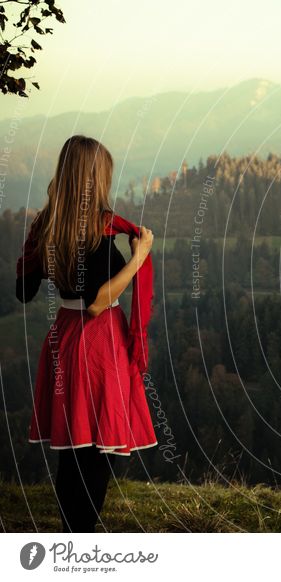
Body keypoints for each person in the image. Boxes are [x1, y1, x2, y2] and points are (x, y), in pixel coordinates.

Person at [15, 135, 158, 533]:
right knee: (98, 451)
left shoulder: (47, 224)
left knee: (74, 447)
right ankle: (80, 540)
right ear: (94, 177)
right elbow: (97, 302)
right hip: (97, 340)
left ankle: (71, 536)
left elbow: (22, 291)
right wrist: (138, 257)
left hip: (63, 334)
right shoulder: (97, 228)